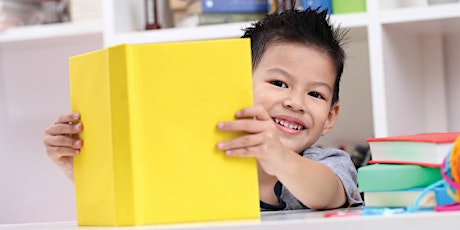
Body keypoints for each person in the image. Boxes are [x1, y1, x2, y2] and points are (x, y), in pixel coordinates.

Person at [44, 8, 363, 211]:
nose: (295, 102)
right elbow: (150, 201)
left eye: (315, 94)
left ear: (330, 118)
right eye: (279, 83)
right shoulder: (203, 157)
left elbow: (327, 194)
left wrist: (278, 159)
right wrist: (81, 169)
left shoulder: (327, 163)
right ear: (237, 82)